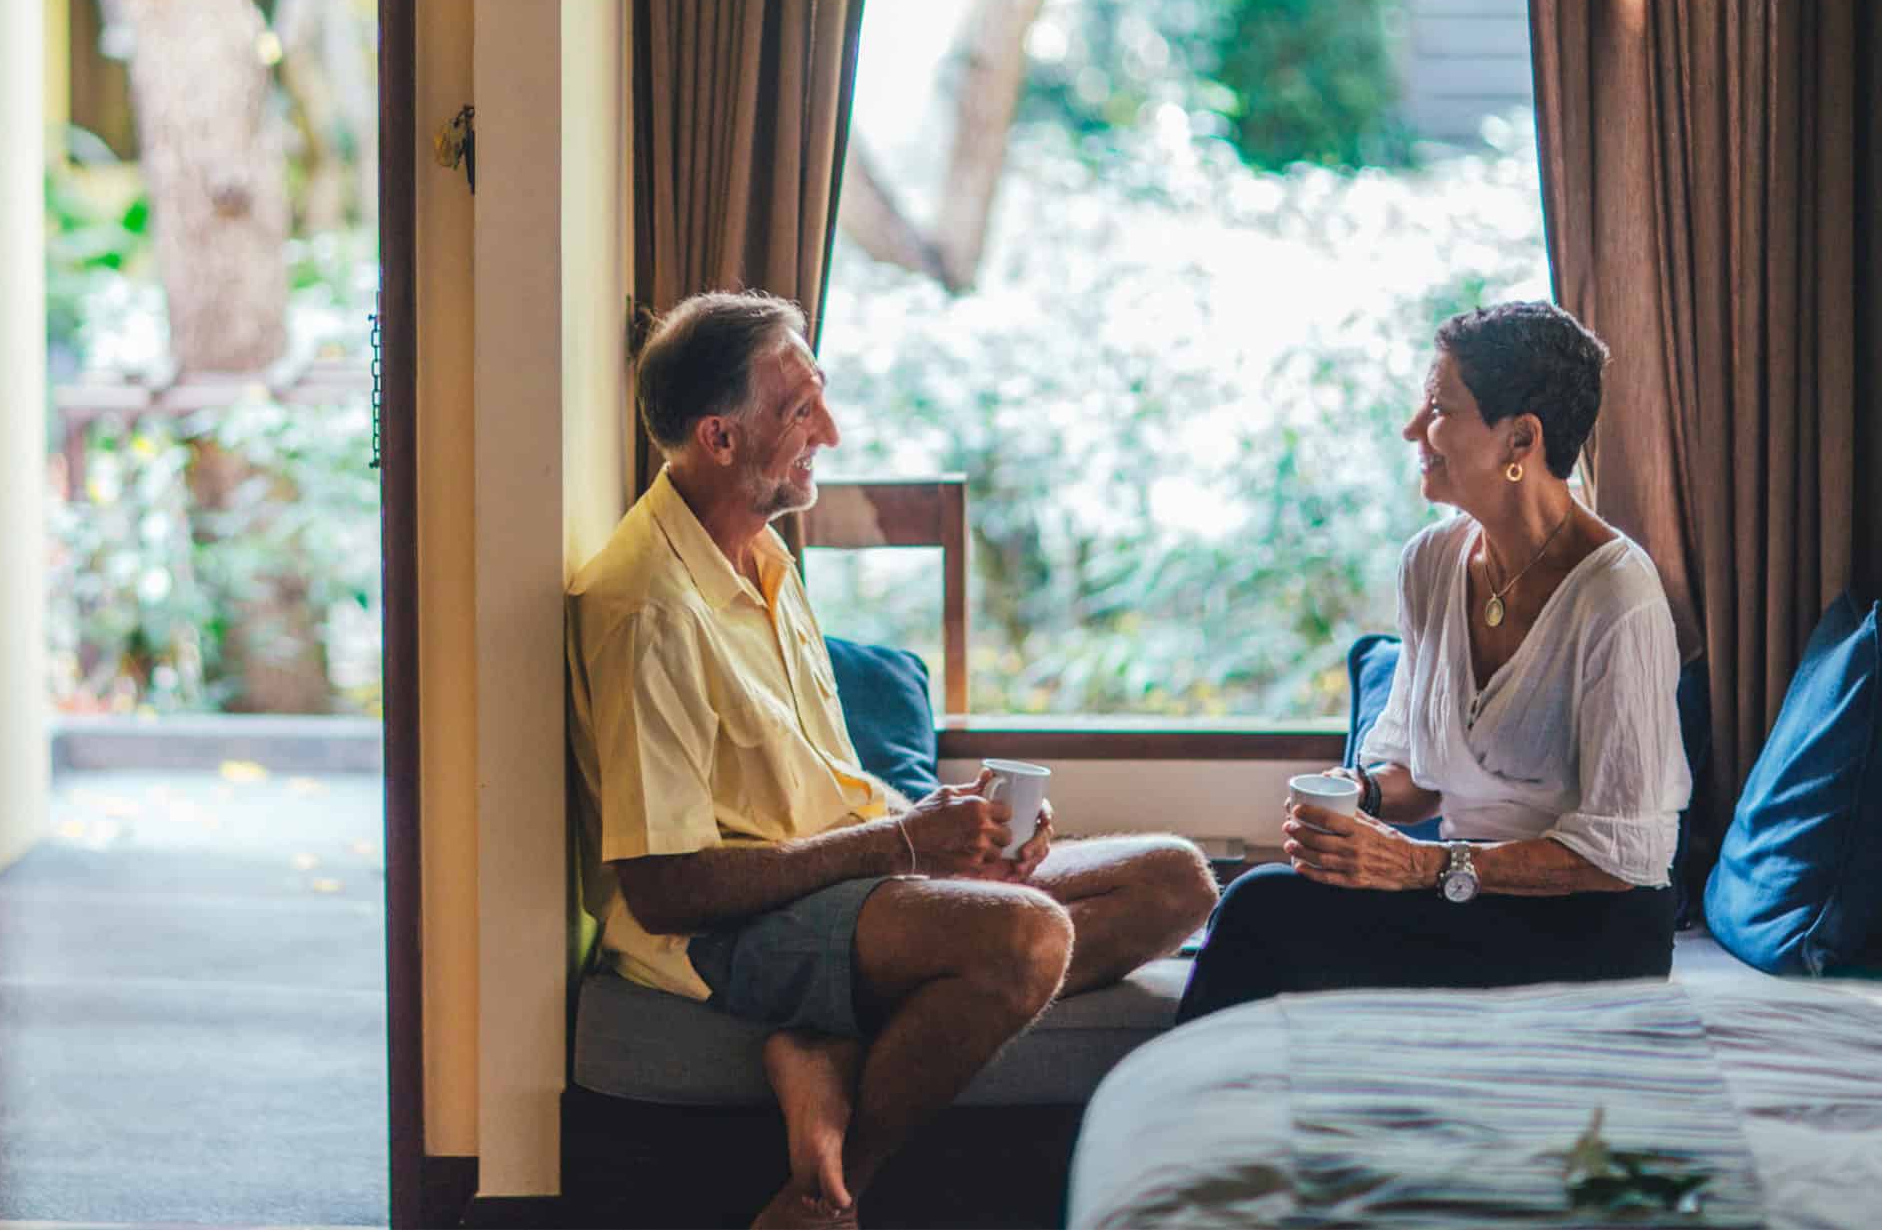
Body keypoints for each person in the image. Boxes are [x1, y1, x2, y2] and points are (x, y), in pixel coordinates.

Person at [570, 290, 1217, 1229]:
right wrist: (902, 848)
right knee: (1026, 938)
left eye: (819, 397)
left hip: (843, 880)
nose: (828, 430)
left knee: (1175, 881)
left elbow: (818, 780)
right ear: (717, 437)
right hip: (724, 932)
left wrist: (958, 826)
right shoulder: (647, 610)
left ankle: (822, 1040)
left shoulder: (762, 555)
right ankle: (826, 1192)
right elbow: (666, 890)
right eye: (800, 411)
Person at [1175, 301, 1689, 1024]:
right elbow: (1417, 776)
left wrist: (1419, 866)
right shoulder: (1431, 561)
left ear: (1520, 437)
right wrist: (1355, 795)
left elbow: (1620, 854)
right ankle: (1246, 1116)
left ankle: (1203, 1123)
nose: (1415, 429)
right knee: (1266, 902)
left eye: (1440, 408)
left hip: (1592, 922)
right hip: (1469, 888)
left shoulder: (1617, 594)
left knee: (1264, 909)